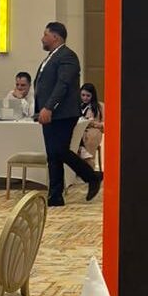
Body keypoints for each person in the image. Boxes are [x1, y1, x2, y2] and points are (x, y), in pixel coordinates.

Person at [34, 22, 102, 206]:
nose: (42, 38)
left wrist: (49, 107)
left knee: (59, 150)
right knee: (53, 154)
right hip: (50, 114)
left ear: (55, 37)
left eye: (45, 34)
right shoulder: (51, 57)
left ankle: (91, 176)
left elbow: (62, 84)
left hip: (63, 113)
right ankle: (55, 195)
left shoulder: (67, 56)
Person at [78, 82, 105, 162]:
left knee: (90, 137)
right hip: (80, 130)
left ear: (92, 96)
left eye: (88, 95)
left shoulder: (100, 106)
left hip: (94, 131)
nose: (85, 98)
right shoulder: (77, 105)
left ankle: (89, 164)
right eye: (83, 95)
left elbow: (105, 124)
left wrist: (93, 123)